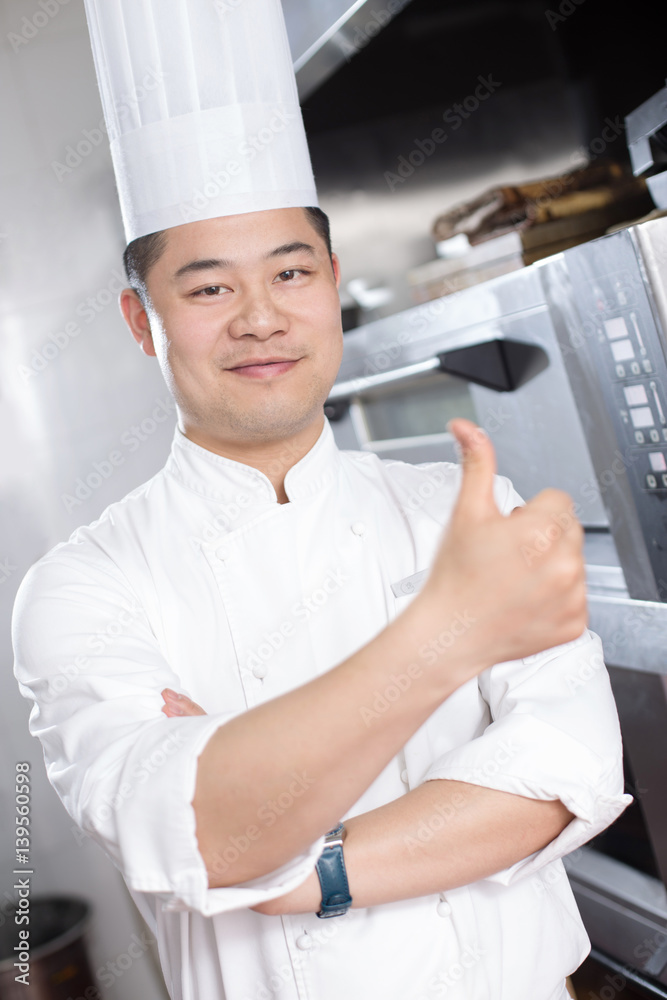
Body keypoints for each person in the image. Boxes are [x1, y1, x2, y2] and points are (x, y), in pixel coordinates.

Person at [13, 1, 629, 997]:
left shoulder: (459, 504)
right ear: (142, 320)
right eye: (208, 289)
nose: (261, 318)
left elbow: (566, 773)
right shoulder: (81, 587)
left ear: (333, 283)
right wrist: (447, 636)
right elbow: (199, 831)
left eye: (290, 272)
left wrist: (301, 866)